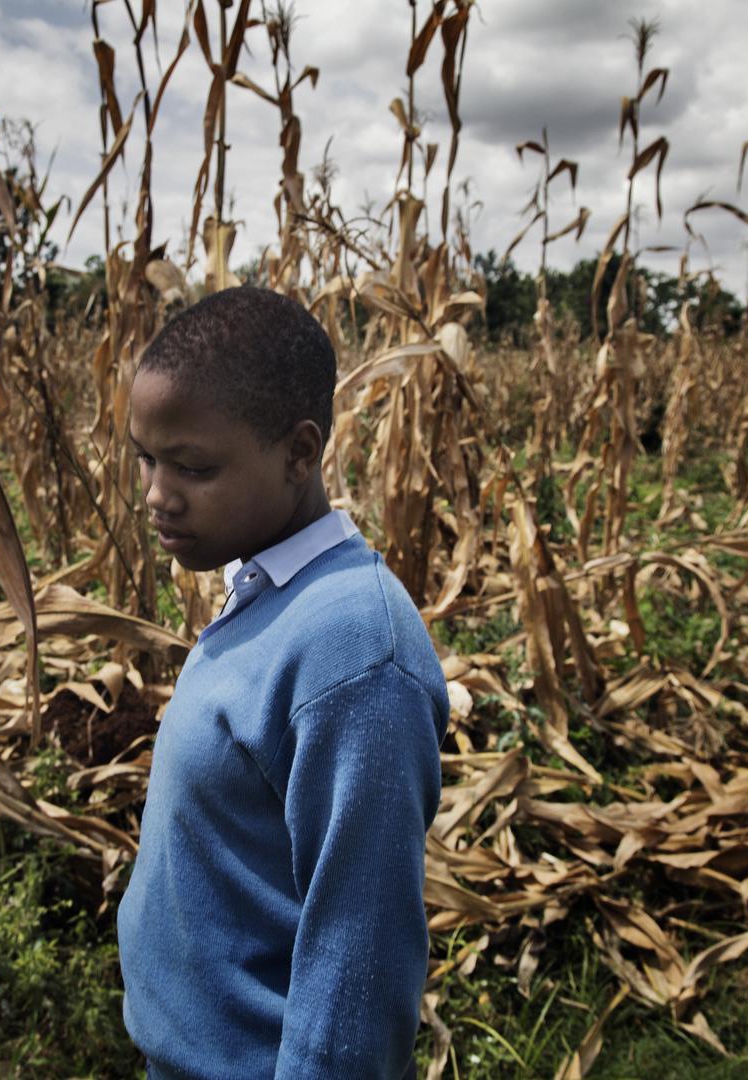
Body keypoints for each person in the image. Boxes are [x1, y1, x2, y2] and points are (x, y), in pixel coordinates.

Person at [117, 285, 450, 1079]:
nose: (158, 495)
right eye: (146, 458)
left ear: (300, 453)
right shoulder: (273, 592)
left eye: (193, 466)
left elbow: (358, 977)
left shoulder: (355, 657)